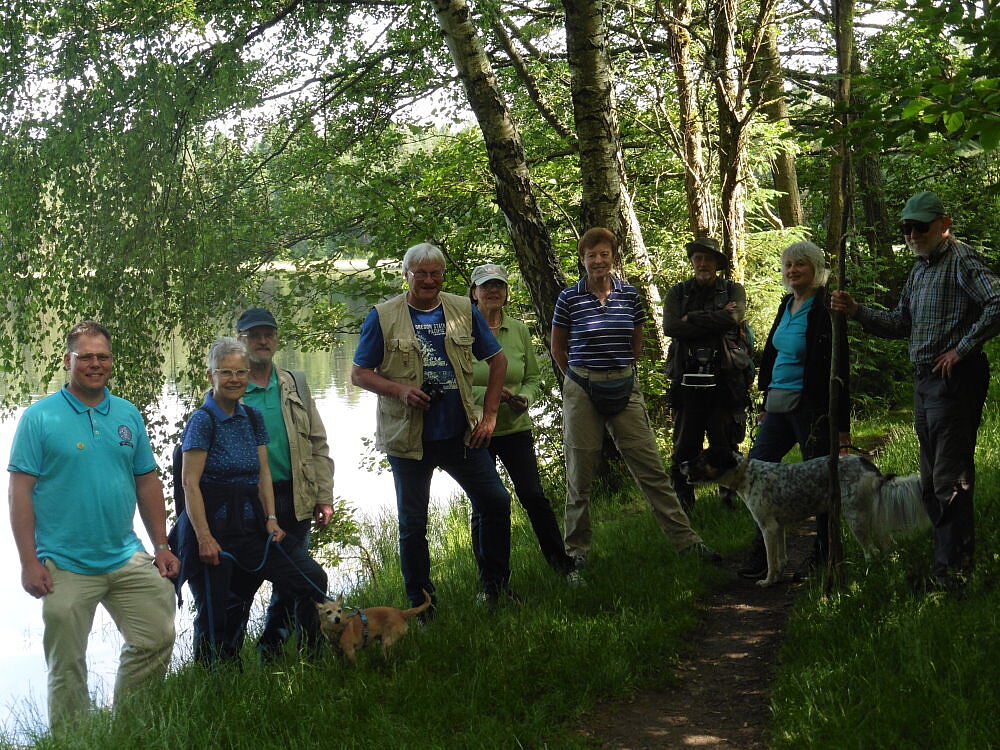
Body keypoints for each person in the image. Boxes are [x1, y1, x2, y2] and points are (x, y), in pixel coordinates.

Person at [8, 320, 179, 729]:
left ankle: (129, 726)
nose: (94, 364)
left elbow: (146, 480)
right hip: (63, 563)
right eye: (85, 357)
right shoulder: (39, 418)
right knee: (66, 666)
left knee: (156, 635)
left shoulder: (127, 414)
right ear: (68, 360)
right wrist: (29, 562)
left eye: (102, 356)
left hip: (124, 554)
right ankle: (74, 738)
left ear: (111, 363)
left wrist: (161, 544)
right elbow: (19, 492)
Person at [832, 191, 1000, 589]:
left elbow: (997, 301)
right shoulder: (921, 269)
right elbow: (898, 322)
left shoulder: (961, 259)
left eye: (919, 227)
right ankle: (947, 565)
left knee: (948, 479)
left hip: (954, 383)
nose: (911, 234)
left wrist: (961, 349)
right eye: (906, 227)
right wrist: (856, 311)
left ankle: (952, 576)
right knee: (930, 482)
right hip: (925, 382)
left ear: (943, 225)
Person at [351, 243, 514, 614]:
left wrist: (488, 417)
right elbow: (359, 373)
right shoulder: (383, 316)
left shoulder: (462, 308)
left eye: (434, 273)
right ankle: (422, 606)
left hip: (462, 434)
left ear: (443, 275)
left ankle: (495, 590)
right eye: (420, 273)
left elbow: (498, 359)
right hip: (408, 439)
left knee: (495, 501)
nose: (428, 280)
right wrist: (400, 390)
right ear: (406, 275)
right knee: (413, 525)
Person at [550, 227, 720, 569]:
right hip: (582, 388)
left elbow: (636, 344)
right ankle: (577, 555)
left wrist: (621, 371)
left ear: (613, 257)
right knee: (579, 476)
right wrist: (577, 381)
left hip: (624, 386)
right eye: (591, 255)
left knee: (651, 470)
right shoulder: (569, 298)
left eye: (604, 254)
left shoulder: (629, 295)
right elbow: (558, 347)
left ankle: (688, 544)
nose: (598, 260)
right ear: (582, 259)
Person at [170, 337, 328, 663]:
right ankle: (217, 684)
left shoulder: (252, 417)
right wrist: (204, 538)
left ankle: (312, 656)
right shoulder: (203, 421)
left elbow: (264, 474)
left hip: (251, 527)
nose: (235, 379)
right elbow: (190, 483)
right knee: (218, 615)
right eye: (226, 372)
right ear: (210, 375)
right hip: (212, 529)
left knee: (311, 578)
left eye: (241, 372)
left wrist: (271, 518)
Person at [224, 308, 335, 658]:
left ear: (276, 338)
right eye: (253, 334)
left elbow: (318, 441)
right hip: (250, 507)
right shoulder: (228, 390)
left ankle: (298, 650)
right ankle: (224, 659)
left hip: (296, 497)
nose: (262, 340)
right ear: (240, 340)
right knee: (243, 583)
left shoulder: (294, 382)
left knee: (294, 582)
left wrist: (323, 494)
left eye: (268, 333)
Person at [738, 241, 851, 580]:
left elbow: (839, 365)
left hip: (811, 407)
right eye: (788, 265)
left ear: (815, 269)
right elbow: (773, 356)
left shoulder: (825, 308)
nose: (792, 271)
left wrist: (840, 425)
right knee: (755, 472)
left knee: (819, 479)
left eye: (800, 265)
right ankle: (764, 556)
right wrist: (764, 400)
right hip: (777, 404)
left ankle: (825, 555)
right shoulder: (787, 303)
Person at [468, 263, 578, 581]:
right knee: (484, 504)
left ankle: (563, 566)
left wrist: (525, 398)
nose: (493, 291)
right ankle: (489, 582)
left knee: (533, 495)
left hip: (516, 427)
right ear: (473, 293)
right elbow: (456, 381)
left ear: (505, 293)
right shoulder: (460, 330)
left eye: (498, 286)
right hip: (477, 430)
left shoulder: (518, 329)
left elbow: (531, 377)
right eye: (486, 286)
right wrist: (490, 392)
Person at [663, 236, 751, 511]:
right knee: (684, 446)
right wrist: (715, 319)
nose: (702, 263)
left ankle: (729, 500)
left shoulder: (733, 290)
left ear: (717, 264)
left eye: (708, 259)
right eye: (698, 258)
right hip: (686, 381)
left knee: (725, 443)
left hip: (725, 380)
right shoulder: (677, 293)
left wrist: (692, 319)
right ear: (692, 262)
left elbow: (734, 318)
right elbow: (671, 327)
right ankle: (684, 504)